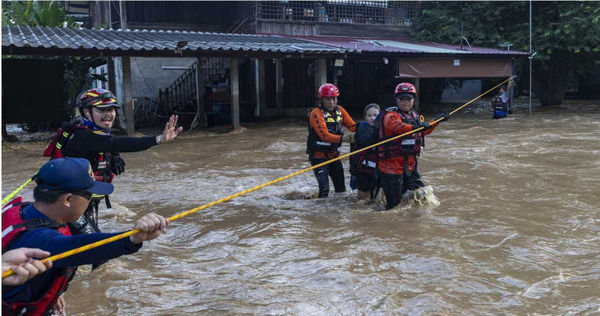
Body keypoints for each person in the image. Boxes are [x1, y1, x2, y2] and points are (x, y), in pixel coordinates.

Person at [2, 157, 168, 316]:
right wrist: (132, 238)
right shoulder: (41, 241)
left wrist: (52, 291)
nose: (90, 201)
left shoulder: (24, 211)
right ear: (67, 199)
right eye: (89, 195)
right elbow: (80, 248)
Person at [42, 88, 182, 237]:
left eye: (111, 110)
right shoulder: (83, 137)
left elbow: (108, 143)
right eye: (102, 110)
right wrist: (158, 139)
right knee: (95, 250)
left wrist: (113, 156)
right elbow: (116, 142)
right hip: (64, 205)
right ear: (86, 112)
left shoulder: (89, 130)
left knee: (82, 249)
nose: (108, 114)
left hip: (80, 202)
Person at [377, 82, 449, 210]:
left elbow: (423, 130)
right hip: (391, 167)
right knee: (394, 206)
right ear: (396, 100)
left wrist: (436, 121)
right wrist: (416, 127)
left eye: (408, 99)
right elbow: (397, 127)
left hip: (410, 166)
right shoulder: (391, 116)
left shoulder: (415, 115)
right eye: (402, 99)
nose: (405, 102)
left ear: (413, 100)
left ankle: (416, 221)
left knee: (422, 195)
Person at [307, 83, 356, 198]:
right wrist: (344, 138)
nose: (332, 102)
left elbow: (353, 126)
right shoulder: (316, 113)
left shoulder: (340, 111)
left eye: (334, 99)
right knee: (324, 190)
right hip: (319, 157)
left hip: (334, 156)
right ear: (322, 99)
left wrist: (367, 130)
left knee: (341, 190)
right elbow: (324, 135)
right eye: (328, 99)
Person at [349, 103, 381, 201]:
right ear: (365, 117)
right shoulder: (362, 127)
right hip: (363, 170)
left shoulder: (384, 129)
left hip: (378, 169)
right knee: (362, 202)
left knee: (378, 201)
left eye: (375, 115)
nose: (372, 118)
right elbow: (366, 143)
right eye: (369, 116)